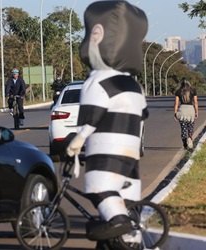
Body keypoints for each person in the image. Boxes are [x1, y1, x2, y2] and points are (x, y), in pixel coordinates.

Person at [66, 1, 148, 248]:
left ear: (97, 34)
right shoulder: (134, 85)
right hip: (131, 153)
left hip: (107, 149)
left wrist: (76, 143)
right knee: (127, 199)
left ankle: (119, 222)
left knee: (98, 189)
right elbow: (143, 117)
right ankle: (130, 242)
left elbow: (91, 119)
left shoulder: (98, 81)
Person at [174, 78, 198, 149]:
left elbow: (176, 103)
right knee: (190, 127)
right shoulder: (193, 90)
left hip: (182, 110)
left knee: (183, 128)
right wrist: (196, 112)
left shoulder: (178, 91)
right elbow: (196, 102)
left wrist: (175, 113)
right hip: (191, 110)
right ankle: (190, 138)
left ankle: (185, 143)